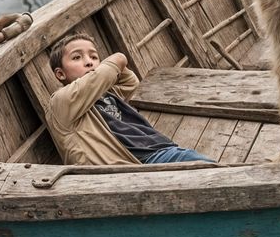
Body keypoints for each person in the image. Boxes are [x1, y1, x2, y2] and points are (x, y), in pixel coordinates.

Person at [45, 32, 214, 165]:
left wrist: (108, 69)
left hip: (159, 151)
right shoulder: (61, 102)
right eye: (77, 57)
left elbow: (131, 83)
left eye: (94, 57)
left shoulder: (105, 93)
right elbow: (108, 71)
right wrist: (116, 60)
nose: (89, 62)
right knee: (211, 171)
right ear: (60, 74)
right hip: (134, 164)